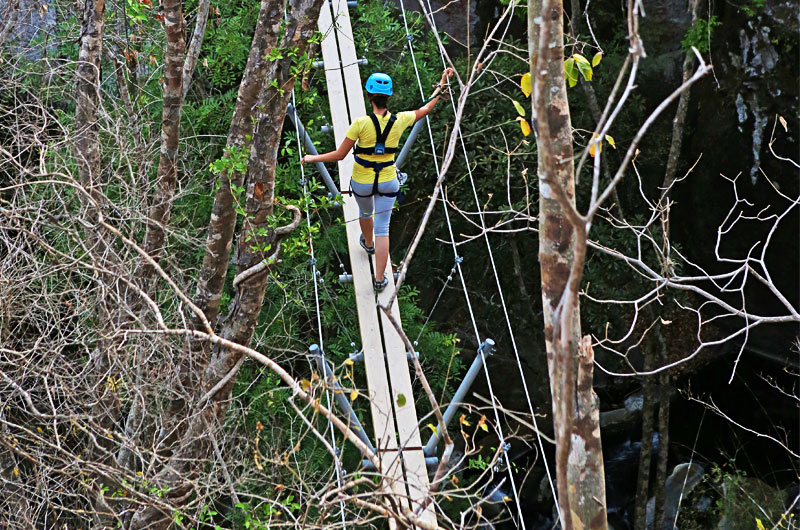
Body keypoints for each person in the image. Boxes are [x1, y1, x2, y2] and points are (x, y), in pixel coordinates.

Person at [302, 67, 453, 291]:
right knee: (384, 227)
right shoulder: (401, 119)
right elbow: (427, 108)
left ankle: (368, 244)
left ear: (368, 96)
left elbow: (339, 155)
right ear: (389, 96)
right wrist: (441, 83)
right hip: (388, 180)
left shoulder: (360, 124)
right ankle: (380, 279)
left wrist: (312, 157)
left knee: (364, 212)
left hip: (362, 181)